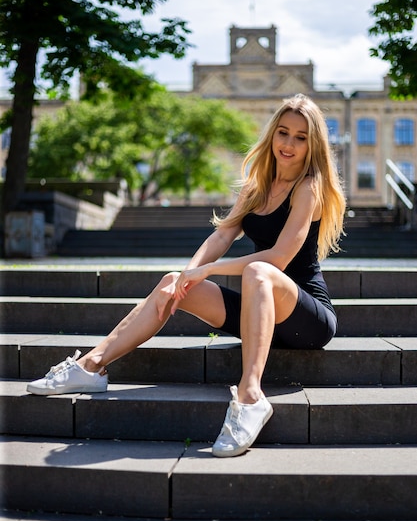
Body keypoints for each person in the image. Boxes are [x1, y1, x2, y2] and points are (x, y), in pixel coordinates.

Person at [27, 93, 346, 458]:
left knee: (258, 270)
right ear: (272, 134)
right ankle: (91, 365)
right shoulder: (257, 186)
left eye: (300, 137)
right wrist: (188, 274)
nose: (288, 144)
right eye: (283, 133)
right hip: (260, 311)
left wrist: (210, 269)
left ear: (312, 145)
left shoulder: (309, 187)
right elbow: (224, 233)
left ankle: (250, 397)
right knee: (169, 282)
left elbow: (279, 257)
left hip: (306, 317)